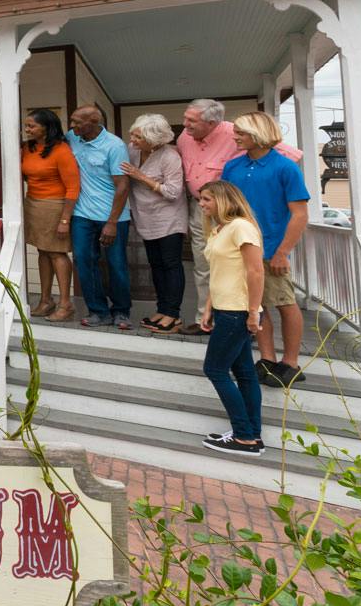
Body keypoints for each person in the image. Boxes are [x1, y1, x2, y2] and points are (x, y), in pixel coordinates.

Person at [220, 112, 310, 388]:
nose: (234, 137)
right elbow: (225, 209)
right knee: (256, 306)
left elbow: (299, 214)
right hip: (239, 248)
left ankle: (291, 362)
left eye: (240, 133)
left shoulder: (285, 168)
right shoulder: (232, 167)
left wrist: (283, 251)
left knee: (284, 302)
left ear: (257, 135)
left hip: (271, 248)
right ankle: (267, 358)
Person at [196, 180, 265, 456]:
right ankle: (252, 434)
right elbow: (219, 271)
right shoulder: (218, 230)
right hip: (224, 307)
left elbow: (255, 271)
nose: (201, 205)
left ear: (223, 200)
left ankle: (243, 435)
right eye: (201, 200)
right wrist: (209, 306)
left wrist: (253, 312)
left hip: (238, 310)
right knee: (245, 372)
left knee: (214, 369)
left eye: (206, 199)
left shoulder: (241, 227)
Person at [65, 106, 132, 329]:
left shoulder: (114, 145)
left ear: (93, 122)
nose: (72, 125)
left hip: (112, 216)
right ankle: (98, 311)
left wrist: (111, 223)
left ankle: (121, 311)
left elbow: (122, 186)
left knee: (116, 264)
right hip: (82, 214)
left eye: (77, 122)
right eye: (71, 121)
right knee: (84, 260)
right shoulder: (72, 138)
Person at [121, 114, 188, 334]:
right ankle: (162, 309)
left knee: (171, 264)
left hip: (169, 218)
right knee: (156, 265)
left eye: (138, 136)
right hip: (145, 217)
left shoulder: (170, 157)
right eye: (133, 134)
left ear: (154, 139)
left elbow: (172, 192)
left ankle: (173, 315)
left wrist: (141, 176)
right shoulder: (133, 151)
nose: (132, 139)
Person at [20, 108, 80, 322]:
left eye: (31, 126)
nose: (27, 129)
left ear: (46, 128)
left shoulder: (61, 150)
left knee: (57, 253)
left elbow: (73, 187)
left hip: (55, 206)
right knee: (43, 252)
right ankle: (46, 300)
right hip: (33, 203)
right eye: (26, 125)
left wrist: (65, 219)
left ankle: (66, 304)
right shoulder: (27, 148)